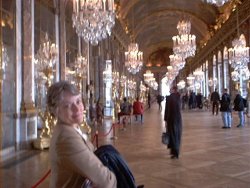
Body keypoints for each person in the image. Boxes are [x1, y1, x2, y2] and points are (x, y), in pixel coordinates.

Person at [47, 81, 117, 188]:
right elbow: (106, 181)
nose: (76, 109)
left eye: (78, 101)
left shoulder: (71, 127)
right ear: (56, 111)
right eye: (67, 106)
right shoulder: (67, 138)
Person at [164, 86, 182, 159]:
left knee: (172, 135)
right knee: (177, 135)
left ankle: (174, 152)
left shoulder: (169, 98)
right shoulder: (179, 97)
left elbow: (167, 110)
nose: (169, 90)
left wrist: (165, 120)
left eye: (170, 89)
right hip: (178, 119)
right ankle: (176, 152)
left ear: (173, 90)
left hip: (171, 119)